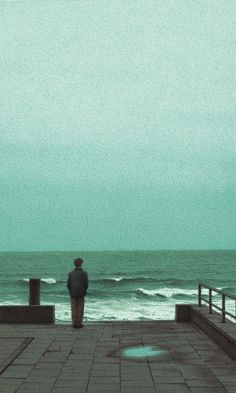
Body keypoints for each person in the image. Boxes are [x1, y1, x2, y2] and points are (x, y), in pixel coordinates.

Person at [67, 257, 89, 328]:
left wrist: (71, 290)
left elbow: (68, 284)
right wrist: (84, 290)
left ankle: (74, 323)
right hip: (81, 293)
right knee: (80, 308)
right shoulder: (84, 273)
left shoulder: (71, 273)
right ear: (81, 264)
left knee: (73, 308)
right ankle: (79, 323)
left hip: (73, 292)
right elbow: (86, 284)